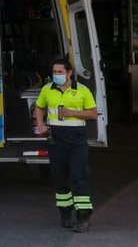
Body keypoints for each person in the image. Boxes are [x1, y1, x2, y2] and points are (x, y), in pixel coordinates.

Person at [33, 60, 99, 233]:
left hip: (77, 139)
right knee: (59, 177)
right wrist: (40, 124)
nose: (57, 75)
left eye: (60, 72)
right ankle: (65, 214)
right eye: (55, 72)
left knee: (79, 176)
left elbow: (93, 113)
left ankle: (83, 218)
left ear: (69, 73)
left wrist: (72, 113)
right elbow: (39, 107)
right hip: (56, 139)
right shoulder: (47, 89)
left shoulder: (82, 90)